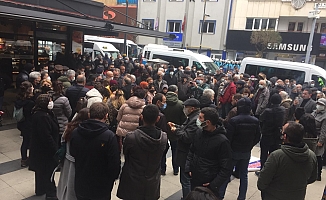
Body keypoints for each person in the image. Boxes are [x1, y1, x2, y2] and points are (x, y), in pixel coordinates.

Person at [70, 102, 121, 200]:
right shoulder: (109, 136)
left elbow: (73, 153)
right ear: (106, 116)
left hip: (81, 181)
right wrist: (112, 177)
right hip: (102, 185)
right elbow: (114, 163)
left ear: (89, 115)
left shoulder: (76, 132)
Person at [117, 105, 168, 200]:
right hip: (152, 179)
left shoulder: (131, 137)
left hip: (132, 178)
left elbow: (126, 154)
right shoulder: (163, 138)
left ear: (141, 116)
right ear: (158, 119)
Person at [257, 122, 317, 200]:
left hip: (273, 196)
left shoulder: (276, 156)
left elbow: (262, 183)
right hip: (298, 196)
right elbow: (312, 178)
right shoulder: (312, 156)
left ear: (285, 136)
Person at [185, 107, 233, 197]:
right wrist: (189, 168)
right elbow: (191, 151)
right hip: (195, 179)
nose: (197, 120)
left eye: (200, 118)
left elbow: (226, 167)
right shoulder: (199, 132)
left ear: (208, 122)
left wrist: (213, 184)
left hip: (208, 184)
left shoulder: (222, 141)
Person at [220, 97, 261, 200]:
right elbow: (258, 137)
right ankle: (241, 197)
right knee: (244, 175)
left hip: (233, 151)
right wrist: (250, 145)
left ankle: (220, 195)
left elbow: (228, 137)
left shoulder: (234, 120)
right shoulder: (255, 120)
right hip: (246, 151)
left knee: (226, 174)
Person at [29, 94, 59, 199]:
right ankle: (51, 195)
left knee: (41, 172)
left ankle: (40, 189)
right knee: (48, 174)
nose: (52, 102)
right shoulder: (43, 117)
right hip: (45, 152)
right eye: (50, 101)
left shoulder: (43, 113)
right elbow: (46, 136)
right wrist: (55, 149)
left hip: (40, 151)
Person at [57, 108, 89, 200]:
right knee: (72, 183)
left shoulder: (69, 128)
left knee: (65, 181)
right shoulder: (82, 131)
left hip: (67, 160)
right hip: (76, 161)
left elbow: (63, 141)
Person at [258, 93, 285, 174]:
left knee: (264, 154)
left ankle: (263, 170)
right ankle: (273, 170)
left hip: (267, 134)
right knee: (274, 154)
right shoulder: (282, 110)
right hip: (277, 134)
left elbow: (261, 119)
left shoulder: (267, 111)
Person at [163, 85, 187, 176]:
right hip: (175, 129)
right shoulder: (180, 104)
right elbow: (184, 119)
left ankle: (162, 169)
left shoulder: (163, 102)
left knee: (163, 151)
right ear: (176, 92)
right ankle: (176, 169)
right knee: (175, 150)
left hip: (164, 129)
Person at [15, 81, 35, 167]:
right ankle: (31, 159)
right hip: (29, 124)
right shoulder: (30, 102)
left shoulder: (18, 100)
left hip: (22, 123)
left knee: (25, 141)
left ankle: (23, 159)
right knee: (30, 142)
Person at [52, 81, 72, 146]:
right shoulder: (64, 100)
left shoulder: (48, 98)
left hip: (51, 123)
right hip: (62, 123)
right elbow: (69, 113)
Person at [311, 98, 326, 181]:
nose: (319, 105)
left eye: (321, 104)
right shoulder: (314, 112)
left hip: (319, 138)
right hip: (312, 137)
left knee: (318, 156)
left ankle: (318, 174)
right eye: (318, 103)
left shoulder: (325, 116)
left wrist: (321, 141)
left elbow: (324, 130)